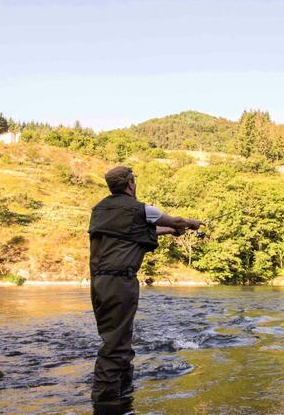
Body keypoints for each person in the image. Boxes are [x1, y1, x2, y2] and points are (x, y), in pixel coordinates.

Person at [88, 166, 202, 404]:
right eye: (134, 181)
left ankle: (123, 395)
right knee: (116, 345)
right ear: (130, 184)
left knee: (117, 338)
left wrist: (171, 232)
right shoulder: (140, 209)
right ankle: (106, 403)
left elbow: (133, 231)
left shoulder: (100, 210)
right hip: (120, 281)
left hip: (99, 281)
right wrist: (191, 223)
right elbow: (173, 219)